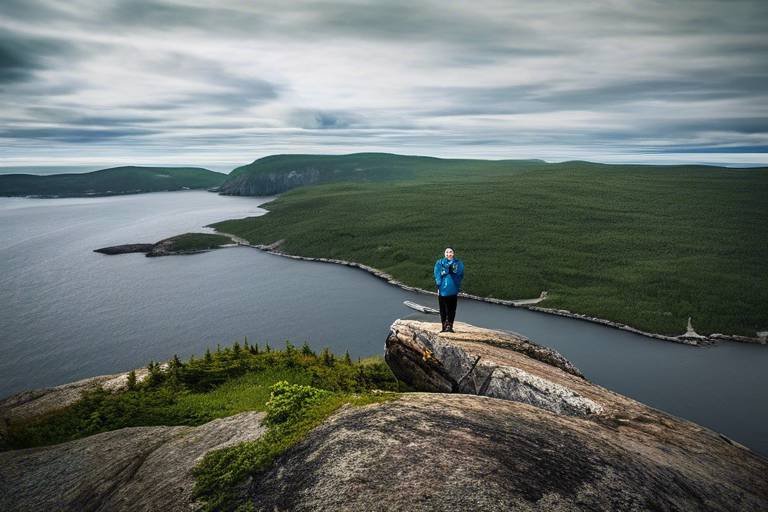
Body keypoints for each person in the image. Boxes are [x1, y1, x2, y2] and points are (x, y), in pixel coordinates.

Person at [434, 247, 464, 333]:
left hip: (453, 289)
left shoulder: (458, 263)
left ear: (453, 253)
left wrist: (452, 272)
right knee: (443, 310)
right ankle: (444, 327)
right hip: (442, 290)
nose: (448, 254)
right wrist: (438, 286)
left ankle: (450, 327)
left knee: (452, 309)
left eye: (450, 252)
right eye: (447, 252)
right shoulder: (439, 263)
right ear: (444, 253)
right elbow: (437, 275)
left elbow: (460, 274)